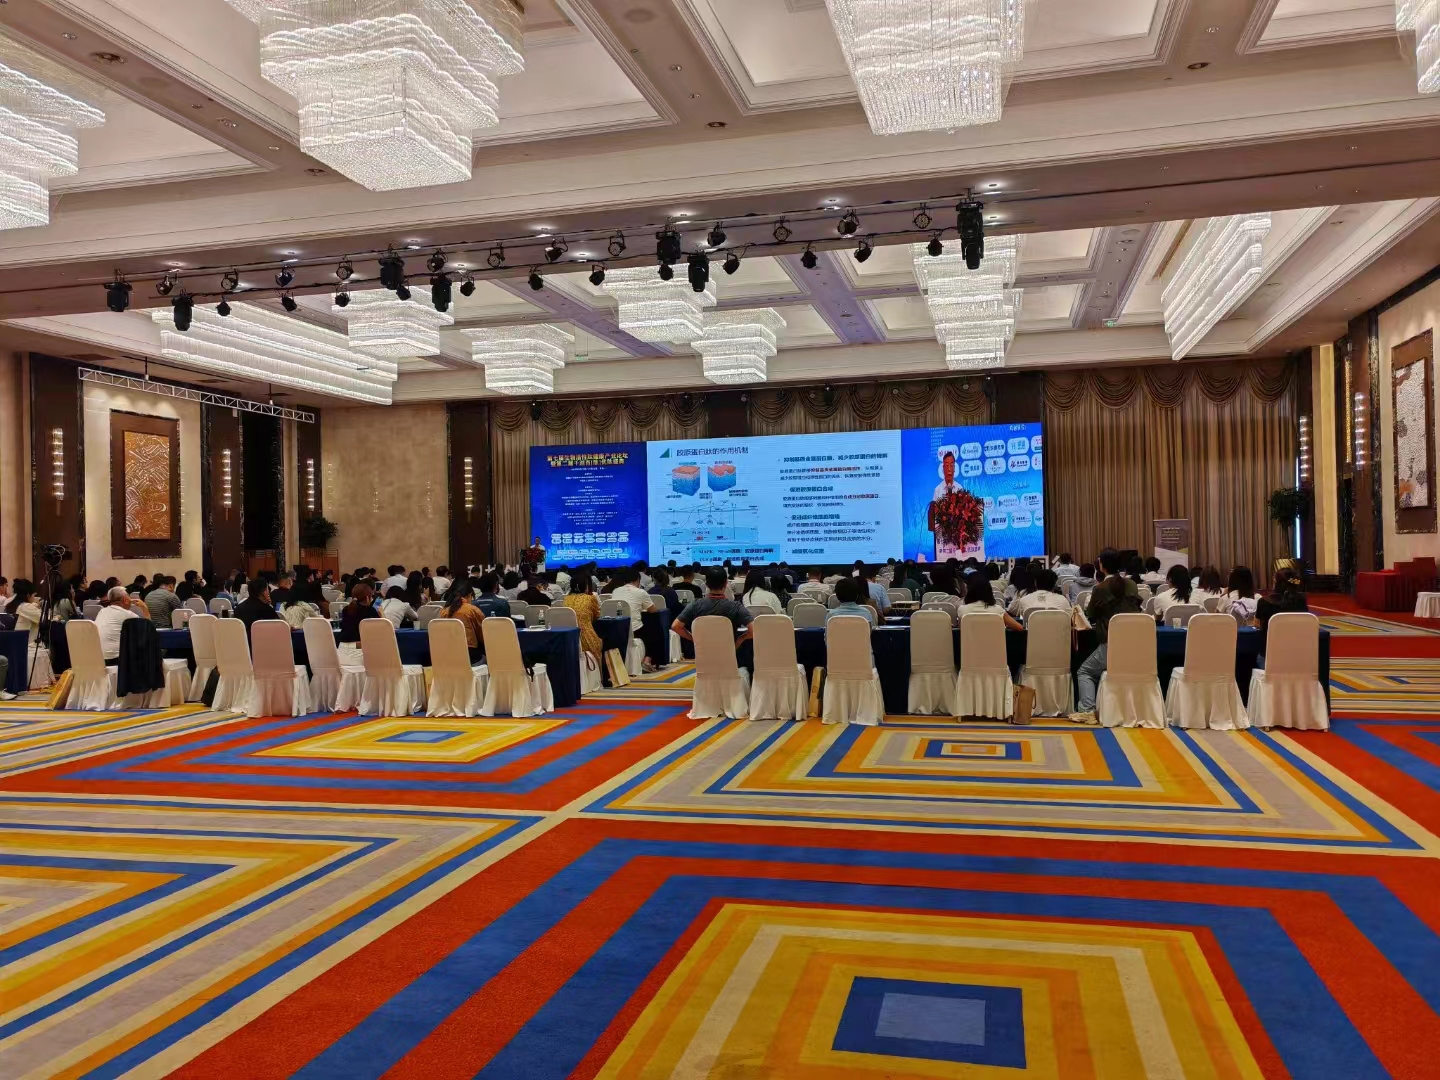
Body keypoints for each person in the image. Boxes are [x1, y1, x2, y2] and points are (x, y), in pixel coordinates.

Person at [1072, 551, 1143, 721]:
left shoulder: (1100, 588)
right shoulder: (1132, 584)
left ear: (1101, 566)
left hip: (1111, 644)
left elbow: (1091, 614)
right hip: (1135, 644)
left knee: (1085, 672)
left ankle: (1087, 710)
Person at [673, 567, 754, 645]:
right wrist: (740, 639)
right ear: (726, 583)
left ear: (706, 584)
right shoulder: (735, 606)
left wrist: (694, 639)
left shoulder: (695, 604)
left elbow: (675, 626)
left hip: (702, 653)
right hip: (728, 652)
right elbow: (754, 629)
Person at [1256, 570, 1309, 654]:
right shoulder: (1301, 601)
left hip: (1269, 652)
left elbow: (1257, 625)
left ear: (1276, 582)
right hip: (1297, 651)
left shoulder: (1264, 601)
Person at [561, 573, 604, 668]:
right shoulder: (590, 598)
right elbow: (596, 617)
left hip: (569, 639)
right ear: (586, 585)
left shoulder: (566, 599)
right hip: (586, 637)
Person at [959, 571, 1023, 630]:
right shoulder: (998, 610)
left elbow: (961, 629)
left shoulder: (962, 610)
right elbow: (1019, 628)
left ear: (969, 591)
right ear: (989, 591)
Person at [95, 586, 139, 661]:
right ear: (125, 600)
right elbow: (148, 631)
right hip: (116, 658)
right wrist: (144, 607)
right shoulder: (128, 614)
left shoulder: (102, 611)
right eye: (129, 597)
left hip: (98, 657)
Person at [338, 582, 381, 649]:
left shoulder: (346, 609)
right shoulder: (370, 611)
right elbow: (380, 630)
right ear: (367, 597)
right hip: (361, 646)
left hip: (343, 645)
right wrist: (381, 615)